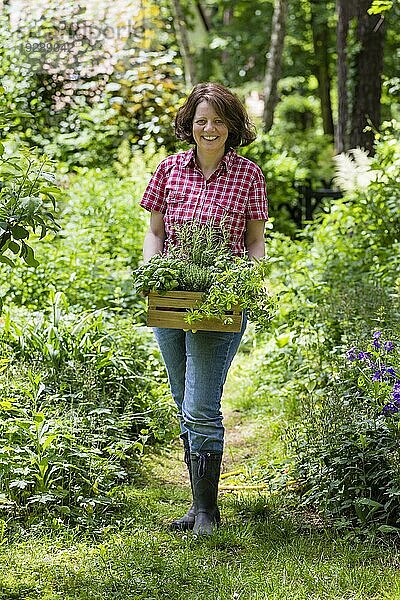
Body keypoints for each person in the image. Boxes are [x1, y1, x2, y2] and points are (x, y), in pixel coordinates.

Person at [139, 82, 268, 535]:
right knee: (182, 400)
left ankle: (209, 513)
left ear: (232, 127)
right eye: (201, 120)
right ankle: (198, 505)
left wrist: (246, 283)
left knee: (200, 405)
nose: (209, 128)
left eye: (218, 121)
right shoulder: (169, 169)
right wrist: (151, 272)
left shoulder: (248, 175)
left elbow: (254, 242)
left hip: (221, 298)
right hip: (173, 298)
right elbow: (155, 233)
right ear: (189, 125)